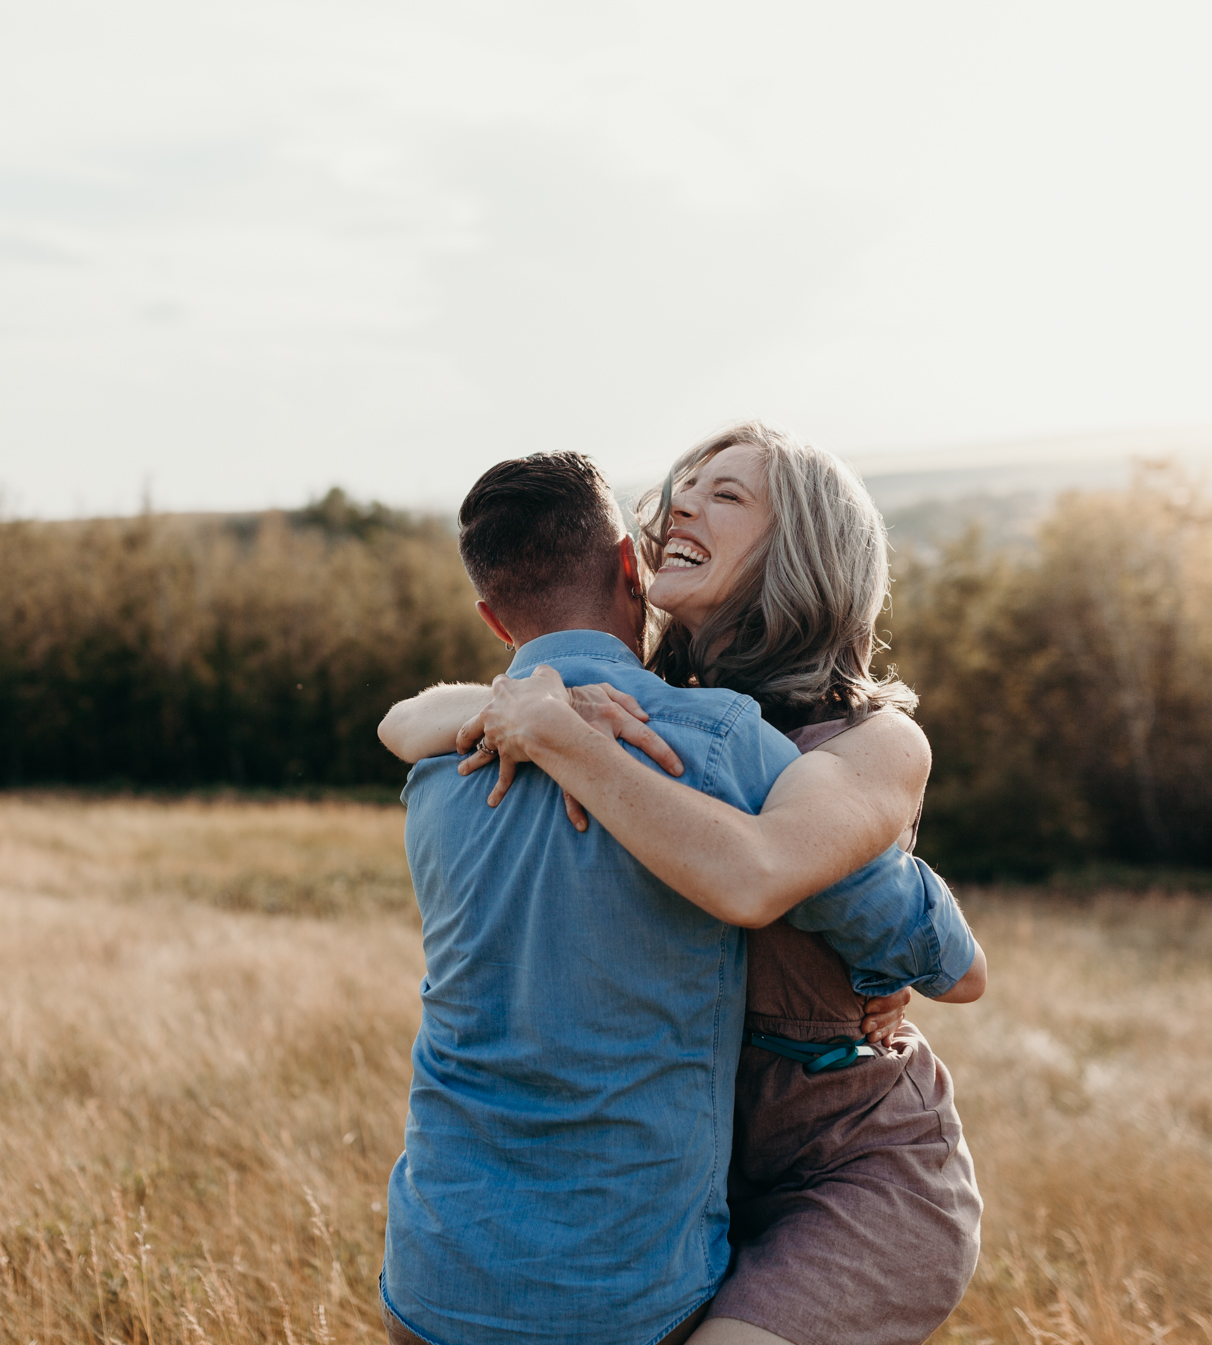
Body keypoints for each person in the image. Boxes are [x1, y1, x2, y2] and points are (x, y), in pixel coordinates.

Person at [377, 451, 979, 1345]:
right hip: (702, 1177)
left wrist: (564, 738)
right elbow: (402, 721)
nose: (679, 507)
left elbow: (761, 876)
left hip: (850, 1158)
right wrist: (548, 703)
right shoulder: (657, 711)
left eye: (724, 494)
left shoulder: (867, 741)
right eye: (678, 491)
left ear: (803, 548)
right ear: (629, 567)